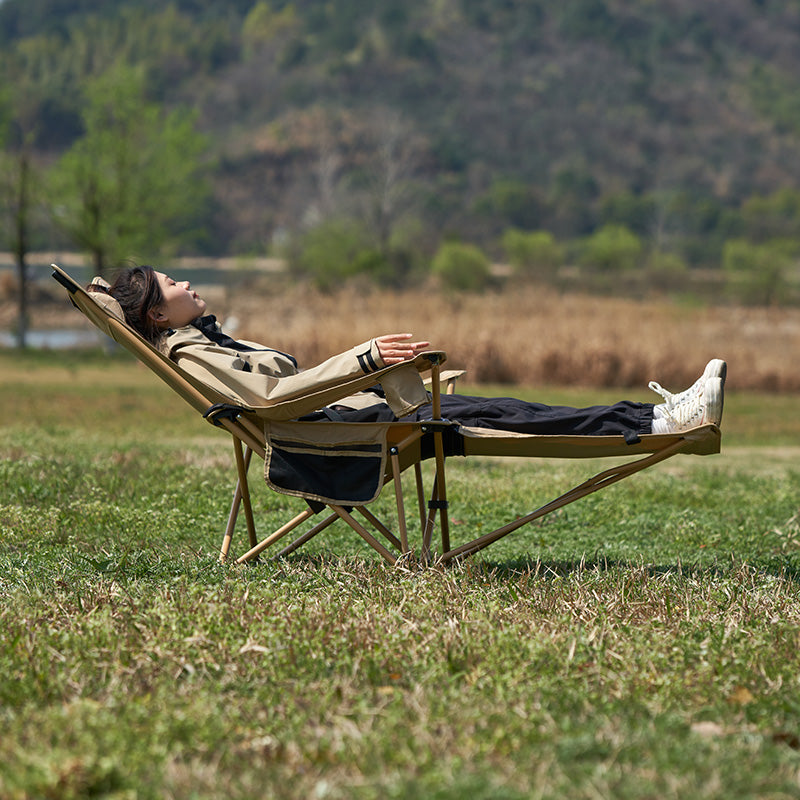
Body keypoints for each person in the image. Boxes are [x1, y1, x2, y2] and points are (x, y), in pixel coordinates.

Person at [88, 265, 726, 439]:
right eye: (175, 285)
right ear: (157, 313)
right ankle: (665, 421)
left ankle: (656, 418)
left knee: (509, 407)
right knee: (514, 417)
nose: (187, 284)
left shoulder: (204, 339)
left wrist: (380, 369)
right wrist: (368, 360)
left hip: (362, 413)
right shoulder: (193, 354)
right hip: (354, 431)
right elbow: (277, 402)